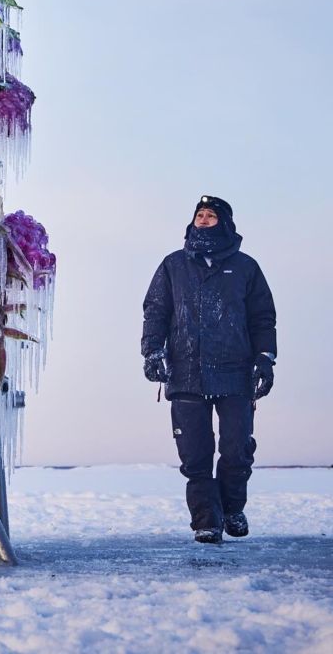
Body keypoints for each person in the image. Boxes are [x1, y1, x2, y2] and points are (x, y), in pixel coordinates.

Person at [141, 195, 277, 544]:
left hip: (235, 374)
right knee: (195, 455)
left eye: (210, 215)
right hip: (185, 373)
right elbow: (156, 311)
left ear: (225, 224)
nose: (203, 219)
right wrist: (153, 351)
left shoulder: (246, 267)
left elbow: (263, 317)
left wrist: (264, 358)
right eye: (199, 214)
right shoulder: (173, 265)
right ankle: (207, 520)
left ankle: (232, 508)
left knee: (236, 450)